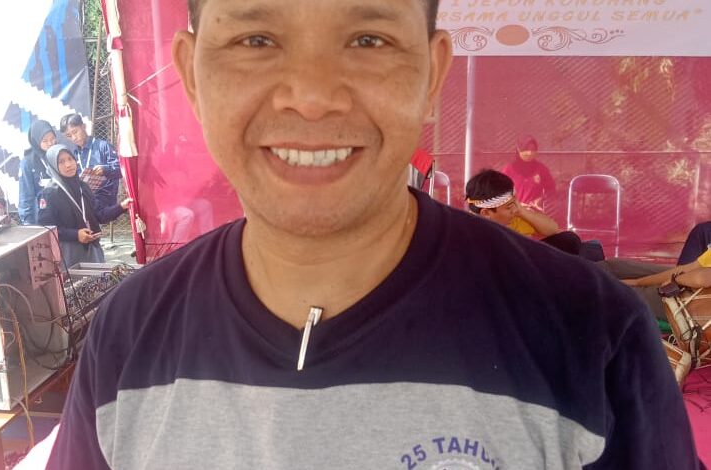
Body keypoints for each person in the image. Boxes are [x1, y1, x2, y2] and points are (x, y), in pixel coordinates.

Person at [47, 0, 702, 468]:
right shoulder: (128, 336)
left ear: (432, 74)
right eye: (256, 39)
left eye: (368, 39)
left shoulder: (591, 339)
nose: (311, 96)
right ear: (192, 74)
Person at [37, 144, 130, 268]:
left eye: (70, 159)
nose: (68, 165)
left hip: (92, 250)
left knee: (100, 279)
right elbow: (46, 228)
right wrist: (76, 235)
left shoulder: (83, 187)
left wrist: (122, 207)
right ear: (53, 165)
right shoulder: (50, 193)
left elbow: (99, 215)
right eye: (61, 162)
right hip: (68, 254)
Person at [466, 169, 582, 255]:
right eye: (509, 207)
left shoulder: (514, 218)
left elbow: (553, 230)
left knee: (569, 240)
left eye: (515, 203)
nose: (514, 210)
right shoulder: (468, 233)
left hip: (523, 265)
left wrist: (522, 210)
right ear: (486, 213)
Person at [60, 113, 121, 209]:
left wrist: (105, 169)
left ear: (84, 126)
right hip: (86, 202)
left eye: (75, 132)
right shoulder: (74, 154)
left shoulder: (103, 146)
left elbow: (121, 170)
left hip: (105, 202)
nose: (74, 138)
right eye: (69, 135)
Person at [502, 134, 556, 211]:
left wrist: (540, 200)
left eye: (533, 149)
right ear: (519, 149)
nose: (529, 152)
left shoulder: (541, 169)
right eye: (526, 149)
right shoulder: (509, 170)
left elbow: (551, 189)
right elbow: (500, 193)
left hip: (534, 212)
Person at [18, 120, 56, 225]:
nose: (50, 143)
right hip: (41, 217)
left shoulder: (58, 155)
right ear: (36, 141)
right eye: (45, 141)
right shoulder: (28, 162)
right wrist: (28, 223)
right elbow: (25, 195)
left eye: (52, 139)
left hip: (61, 214)